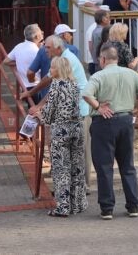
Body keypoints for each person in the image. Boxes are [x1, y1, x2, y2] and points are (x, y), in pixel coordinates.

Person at [82, 45, 138, 220]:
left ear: (103, 59)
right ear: (117, 59)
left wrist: (98, 106)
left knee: (104, 166)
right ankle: (133, 205)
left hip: (104, 122)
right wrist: (137, 107)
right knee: (127, 164)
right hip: (125, 120)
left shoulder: (98, 76)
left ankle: (107, 208)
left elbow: (86, 94)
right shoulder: (130, 74)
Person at [36, 56, 88, 217]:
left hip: (61, 131)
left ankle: (63, 207)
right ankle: (77, 204)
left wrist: (40, 115)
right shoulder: (74, 85)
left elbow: (49, 111)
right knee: (77, 167)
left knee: (61, 169)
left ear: (58, 69)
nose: (49, 70)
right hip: (77, 128)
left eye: (52, 67)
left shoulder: (56, 85)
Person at [4, 23, 43, 94]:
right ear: (36, 36)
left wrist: (19, 62)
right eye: (41, 32)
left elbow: (6, 61)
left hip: (24, 86)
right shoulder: (38, 51)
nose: (42, 33)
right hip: (37, 87)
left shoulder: (18, 46)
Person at [89, 10, 111, 74]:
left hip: (98, 61)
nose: (109, 19)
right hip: (102, 62)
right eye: (108, 17)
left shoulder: (95, 30)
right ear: (103, 19)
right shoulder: (101, 32)